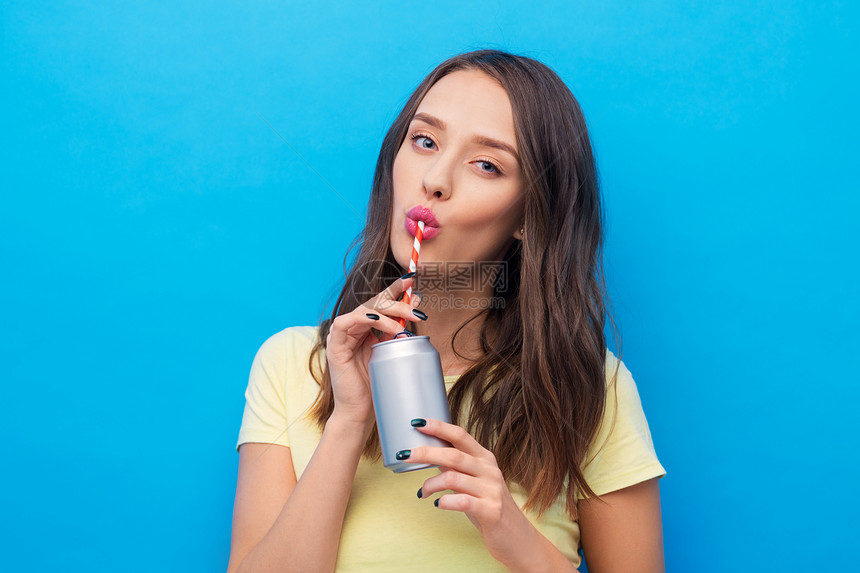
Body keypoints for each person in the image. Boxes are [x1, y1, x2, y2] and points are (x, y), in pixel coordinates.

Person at [227, 49, 666, 573]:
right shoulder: (292, 365)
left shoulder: (592, 388)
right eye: (425, 140)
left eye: (487, 164)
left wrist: (513, 534)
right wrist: (348, 421)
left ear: (530, 216)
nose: (434, 178)